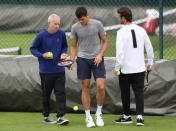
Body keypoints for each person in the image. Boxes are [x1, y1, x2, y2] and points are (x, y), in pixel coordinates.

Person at [69, 7, 108, 128]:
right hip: (82, 59)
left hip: (97, 60)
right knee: (85, 87)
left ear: (87, 15)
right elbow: (74, 46)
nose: (81, 21)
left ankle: (98, 113)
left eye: (83, 19)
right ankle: (88, 116)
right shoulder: (75, 28)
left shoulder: (97, 24)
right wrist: (71, 59)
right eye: (79, 20)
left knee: (101, 86)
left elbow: (105, 41)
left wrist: (100, 55)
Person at [114, 7, 154, 126]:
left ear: (123, 18)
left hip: (125, 69)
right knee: (139, 92)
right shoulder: (141, 29)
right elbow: (149, 47)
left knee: (125, 93)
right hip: (140, 68)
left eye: (119, 16)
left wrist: (117, 67)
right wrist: (150, 62)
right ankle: (140, 118)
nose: (118, 18)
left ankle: (127, 116)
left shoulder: (121, 32)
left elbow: (120, 53)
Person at [30, 14, 69, 125]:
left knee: (61, 93)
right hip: (46, 72)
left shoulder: (61, 33)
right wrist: (43, 55)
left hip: (60, 70)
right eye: (55, 24)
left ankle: (61, 117)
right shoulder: (41, 35)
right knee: (46, 94)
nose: (57, 26)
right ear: (49, 23)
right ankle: (46, 116)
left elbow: (64, 46)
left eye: (58, 24)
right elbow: (32, 49)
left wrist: (63, 53)